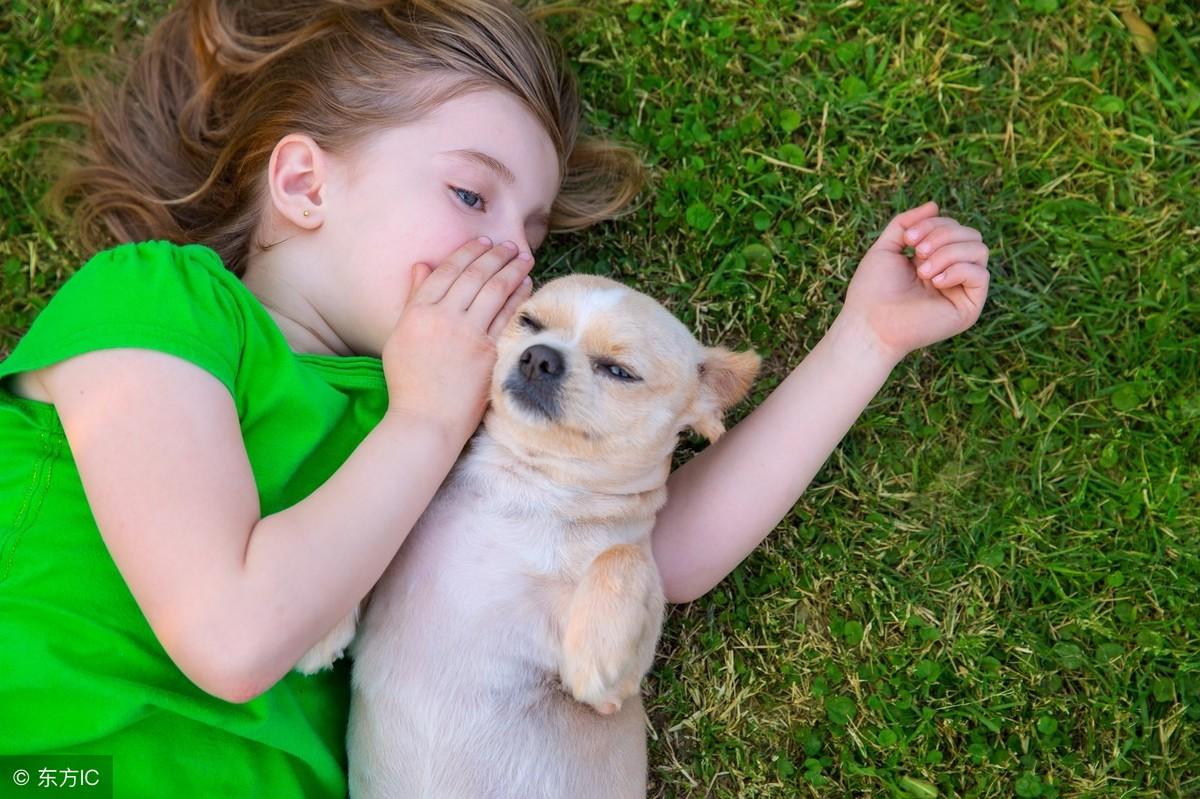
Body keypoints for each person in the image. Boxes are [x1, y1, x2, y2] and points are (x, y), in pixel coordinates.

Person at [0, 0, 990, 796]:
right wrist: (424, 418)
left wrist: (866, 341)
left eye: (532, 234)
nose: (513, 255)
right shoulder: (158, 303)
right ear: (304, 183)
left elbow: (658, 545)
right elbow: (232, 634)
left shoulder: (455, 405)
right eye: (472, 196)